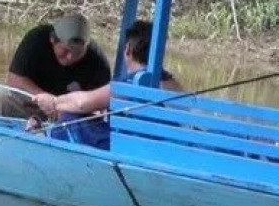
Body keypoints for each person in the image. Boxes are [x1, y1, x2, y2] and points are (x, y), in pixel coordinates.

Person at [29, 19, 181, 149]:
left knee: (69, 117)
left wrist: (54, 102)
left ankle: (43, 136)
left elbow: (83, 103)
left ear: (127, 48)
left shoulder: (132, 84)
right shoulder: (173, 84)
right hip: (170, 148)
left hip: (132, 150)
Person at [0, 13, 111, 117]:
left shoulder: (97, 59)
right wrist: (44, 99)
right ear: (53, 40)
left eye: (77, 53)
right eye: (65, 50)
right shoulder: (37, 39)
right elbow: (14, 79)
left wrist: (62, 107)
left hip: (69, 114)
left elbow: (104, 104)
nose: (70, 57)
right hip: (32, 103)